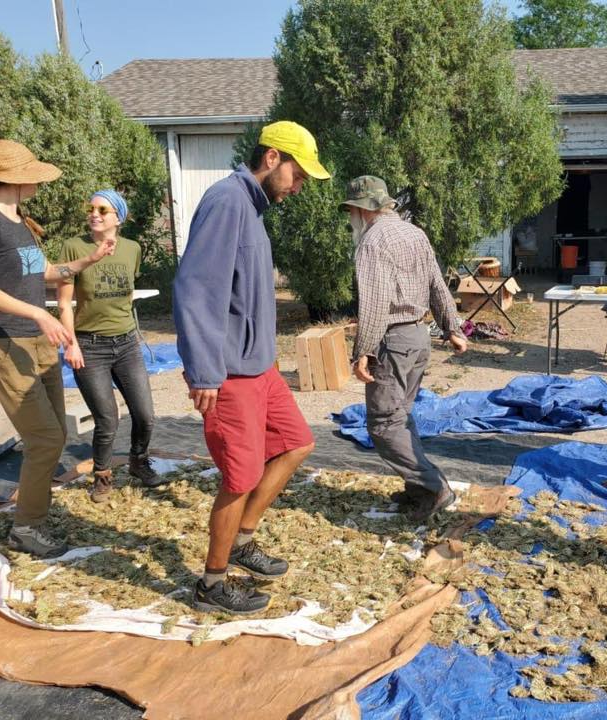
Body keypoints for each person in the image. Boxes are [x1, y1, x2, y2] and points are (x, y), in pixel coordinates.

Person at [173, 121, 329, 614]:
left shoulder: (253, 210)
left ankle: (242, 542)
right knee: (239, 478)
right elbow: (196, 290)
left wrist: (272, 358)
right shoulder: (226, 202)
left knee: (297, 443)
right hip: (229, 375)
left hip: (259, 368)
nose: (300, 186)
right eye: (299, 175)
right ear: (272, 159)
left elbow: (247, 297)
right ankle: (211, 585)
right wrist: (203, 372)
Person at [0, 140, 114, 557]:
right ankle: (26, 528)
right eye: (32, 174)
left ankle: (35, 514)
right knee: (46, 438)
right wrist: (40, 315)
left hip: (36, 343)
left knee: (56, 434)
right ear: (16, 179)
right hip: (5, 343)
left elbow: (43, 272)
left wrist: (88, 261)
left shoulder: (18, 222)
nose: (38, 181)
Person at [343, 175, 467, 521]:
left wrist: (363, 351)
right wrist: (452, 327)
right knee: (401, 416)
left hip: (393, 341)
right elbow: (437, 285)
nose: (351, 217)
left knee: (383, 425)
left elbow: (375, 303)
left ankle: (434, 487)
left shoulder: (372, 242)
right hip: (418, 337)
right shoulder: (415, 233)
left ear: (361, 210)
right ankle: (418, 492)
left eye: (351, 210)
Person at [57, 189, 165, 504]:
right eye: (91, 208)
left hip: (127, 343)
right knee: (107, 419)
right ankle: (103, 477)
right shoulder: (73, 247)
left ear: (118, 217)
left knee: (145, 414)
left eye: (103, 210)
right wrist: (71, 345)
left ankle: (138, 461)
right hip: (90, 346)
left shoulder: (132, 249)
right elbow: (64, 304)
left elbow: (126, 294)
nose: (94, 214)